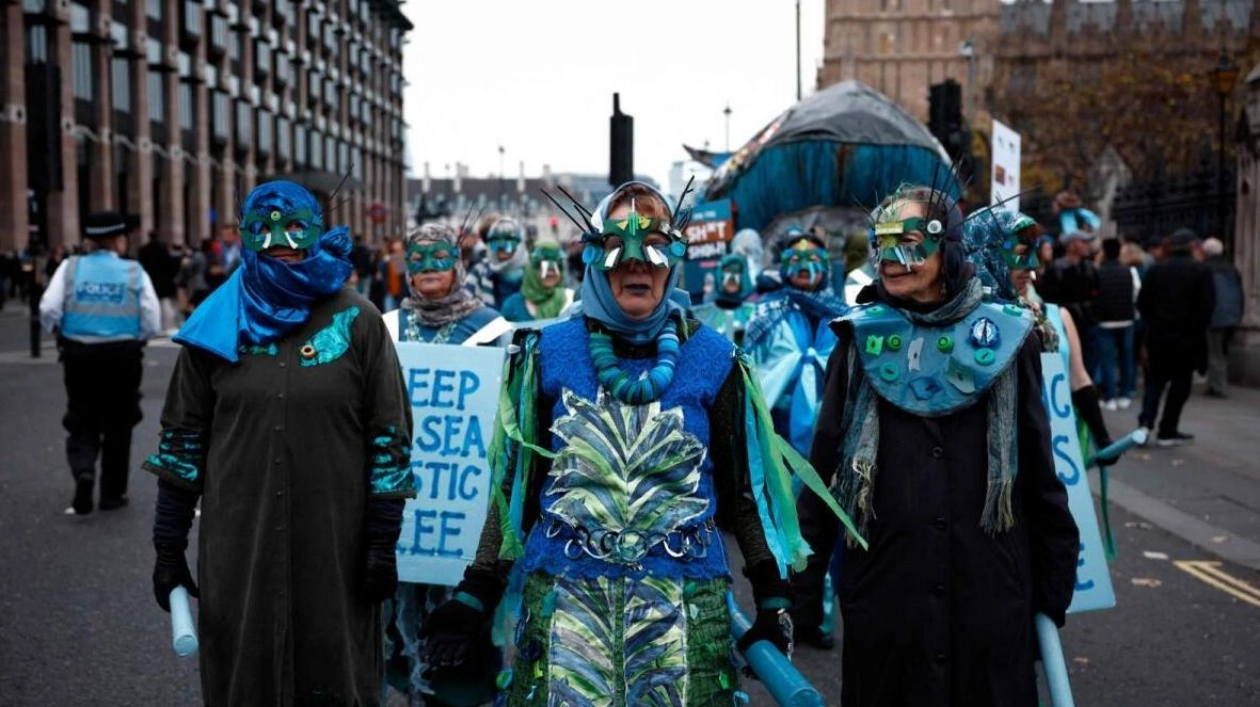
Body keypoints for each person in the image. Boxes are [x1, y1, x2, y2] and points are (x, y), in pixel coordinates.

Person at [420, 181, 846, 706]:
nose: (637, 263)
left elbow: (745, 492)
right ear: (597, 258)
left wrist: (773, 598)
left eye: (654, 248)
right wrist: (475, 591)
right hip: (566, 621)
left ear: (673, 260)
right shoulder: (546, 353)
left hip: (685, 620)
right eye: (619, 247)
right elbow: (517, 490)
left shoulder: (716, 358)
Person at [794, 185, 1079, 707]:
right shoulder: (858, 341)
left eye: (910, 242)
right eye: (882, 245)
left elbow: (1040, 475)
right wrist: (799, 595)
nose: (893, 259)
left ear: (947, 248)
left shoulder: (1009, 338)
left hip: (989, 600)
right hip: (888, 602)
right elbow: (824, 476)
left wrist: (1047, 596)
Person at [142, 180, 415, 706]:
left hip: (337, 549)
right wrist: (167, 547)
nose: (280, 240)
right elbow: (182, 443)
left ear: (315, 228)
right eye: (263, 226)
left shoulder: (358, 321)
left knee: (337, 679)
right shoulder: (214, 325)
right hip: (240, 550)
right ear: (243, 233)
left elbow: (389, 437)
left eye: (294, 225)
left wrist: (383, 538)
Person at [380, 222, 509, 707]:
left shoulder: (493, 328)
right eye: (419, 259)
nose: (429, 269)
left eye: (440, 258)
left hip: (467, 510)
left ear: (457, 264)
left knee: (467, 632)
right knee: (405, 625)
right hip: (408, 512)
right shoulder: (386, 328)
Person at [38, 213, 161, 514]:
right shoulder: (133, 271)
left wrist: (60, 331)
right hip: (123, 355)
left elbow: (49, 307)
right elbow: (152, 319)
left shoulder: (70, 267)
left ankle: (84, 470)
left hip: (79, 355)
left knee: (82, 416)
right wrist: (136, 337)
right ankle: (112, 494)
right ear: (119, 240)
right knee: (120, 422)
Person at [745, 227, 848, 459]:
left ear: (825, 266)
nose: (803, 265)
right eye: (794, 259)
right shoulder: (766, 310)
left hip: (832, 422)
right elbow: (754, 368)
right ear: (784, 266)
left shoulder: (843, 317)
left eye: (812, 259)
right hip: (778, 422)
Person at [1136, 228, 1215, 446]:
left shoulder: (1156, 271)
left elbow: (1142, 304)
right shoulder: (1201, 272)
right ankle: (1167, 429)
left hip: (1159, 336)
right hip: (1187, 339)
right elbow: (1208, 308)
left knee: (1155, 382)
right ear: (1192, 246)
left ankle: (1144, 425)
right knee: (1180, 384)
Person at [1039, 229, 1101, 376]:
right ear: (1072, 245)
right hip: (1066, 325)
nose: (1087, 246)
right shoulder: (1056, 269)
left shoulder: (1089, 268)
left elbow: (1097, 292)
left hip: (1088, 325)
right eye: (1083, 242)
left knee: (1089, 365)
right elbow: (1049, 299)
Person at [1094, 238, 1139, 410]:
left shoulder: (1098, 271)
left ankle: (1110, 396)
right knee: (1126, 358)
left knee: (1107, 360)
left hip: (1105, 321)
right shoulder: (1129, 271)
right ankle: (1125, 394)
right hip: (1126, 319)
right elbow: (1135, 293)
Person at [1202, 237, 1243, 398]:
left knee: (1215, 352)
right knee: (1222, 351)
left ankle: (1218, 387)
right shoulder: (1231, 268)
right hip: (1232, 315)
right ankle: (1216, 383)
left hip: (1215, 316)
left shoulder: (1206, 268)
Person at [499, 239, 574, 323]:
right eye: (542, 265)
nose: (550, 271)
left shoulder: (572, 300)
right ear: (531, 269)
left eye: (557, 265)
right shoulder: (511, 306)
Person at [692, 253, 756, 344]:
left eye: (737, 271)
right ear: (719, 274)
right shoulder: (700, 315)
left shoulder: (753, 313)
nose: (732, 277)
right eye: (727, 271)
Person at [466, 218, 527, 309]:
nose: (501, 247)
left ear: (519, 244)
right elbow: (465, 299)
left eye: (509, 242)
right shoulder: (480, 271)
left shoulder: (532, 271)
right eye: (495, 241)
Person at [139, 231, 180, 333]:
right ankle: (167, 326)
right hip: (163, 280)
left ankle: (155, 325)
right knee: (165, 304)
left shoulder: (144, 249)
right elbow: (170, 264)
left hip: (151, 278)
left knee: (151, 303)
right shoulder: (163, 248)